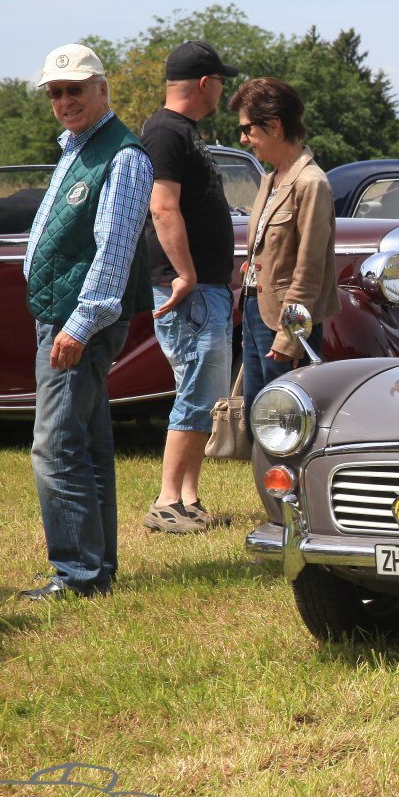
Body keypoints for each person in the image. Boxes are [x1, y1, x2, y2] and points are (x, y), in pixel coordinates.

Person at [20, 43, 154, 601]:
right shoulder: (79, 148)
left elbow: (114, 249)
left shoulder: (123, 156)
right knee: (87, 444)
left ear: (102, 89)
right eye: (55, 92)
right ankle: (94, 570)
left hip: (77, 321)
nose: (64, 101)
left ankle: (76, 574)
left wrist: (82, 323)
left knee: (55, 448)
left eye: (74, 89)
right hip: (65, 315)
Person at [141, 40, 239, 535]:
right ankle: (166, 502)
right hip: (189, 292)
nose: (222, 90)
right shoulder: (165, 131)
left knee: (204, 393)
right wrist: (185, 273)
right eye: (220, 81)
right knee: (198, 392)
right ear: (205, 83)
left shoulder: (182, 131)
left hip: (205, 289)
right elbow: (162, 206)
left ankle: (187, 498)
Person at [232, 78, 340, 409]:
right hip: (256, 313)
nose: (243, 138)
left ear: (275, 126)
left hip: (285, 321)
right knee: (257, 414)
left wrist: (291, 337)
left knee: (285, 418)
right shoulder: (270, 180)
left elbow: (309, 270)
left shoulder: (311, 183)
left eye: (248, 129)